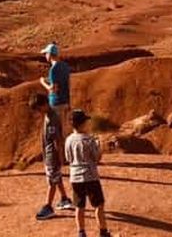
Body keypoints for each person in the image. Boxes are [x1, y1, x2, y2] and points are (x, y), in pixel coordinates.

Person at [65, 109, 111, 237]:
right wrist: (99, 146)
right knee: (99, 205)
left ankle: (81, 232)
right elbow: (96, 158)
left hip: (75, 177)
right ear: (82, 124)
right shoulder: (89, 140)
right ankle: (103, 232)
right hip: (90, 176)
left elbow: (68, 158)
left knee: (79, 206)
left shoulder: (68, 140)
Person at [29, 93, 75, 219]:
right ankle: (64, 199)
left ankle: (48, 206)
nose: (38, 112)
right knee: (56, 177)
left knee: (52, 181)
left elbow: (57, 141)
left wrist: (60, 157)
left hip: (52, 155)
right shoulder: (49, 114)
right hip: (50, 154)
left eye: (38, 108)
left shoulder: (52, 118)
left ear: (44, 105)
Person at [40, 43, 72, 141]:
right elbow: (67, 83)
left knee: (57, 134)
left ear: (50, 54)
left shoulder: (53, 70)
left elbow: (53, 89)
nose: (45, 56)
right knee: (65, 131)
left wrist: (42, 82)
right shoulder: (65, 66)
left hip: (56, 104)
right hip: (65, 102)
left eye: (46, 53)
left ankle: (61, 155)